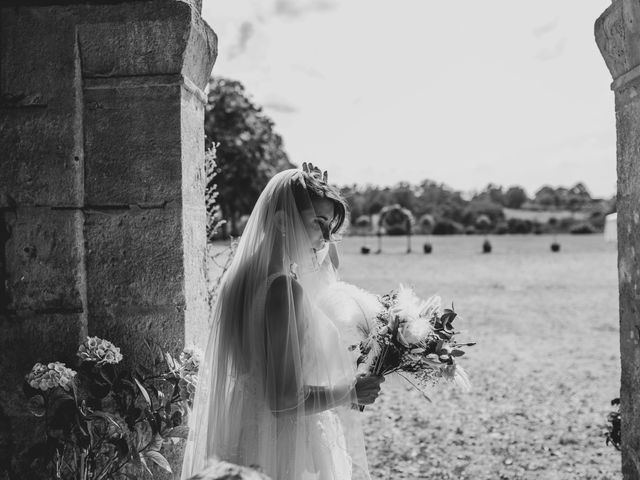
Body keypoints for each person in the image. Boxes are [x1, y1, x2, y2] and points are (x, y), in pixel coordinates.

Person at [181, 167, 384, 480]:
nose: (327, 238)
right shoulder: (283, 288)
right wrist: (350, 392)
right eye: (318, 223)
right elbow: (283, 399)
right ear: (281, 221)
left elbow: (258, 373)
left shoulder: (238, 278)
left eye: (330, 225)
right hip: (284, 445)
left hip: (244, 432)